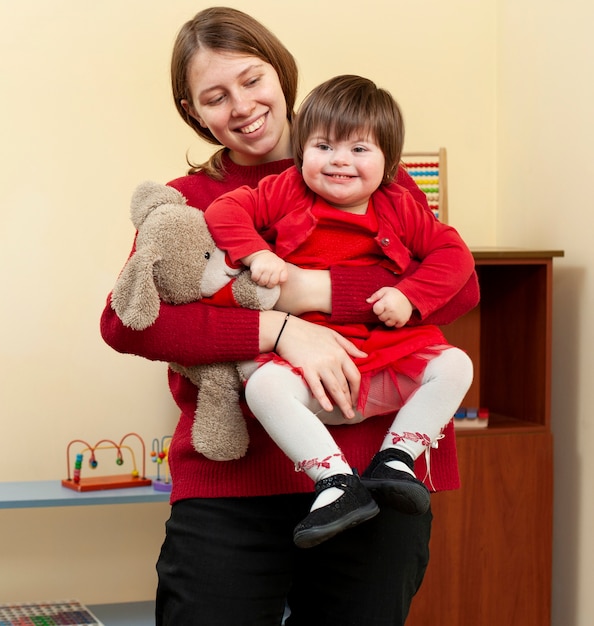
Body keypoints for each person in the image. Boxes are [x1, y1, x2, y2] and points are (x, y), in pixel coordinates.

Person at [100, 7, 480, 625]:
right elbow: (128, 321)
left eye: (252, 80)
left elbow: (455, 288)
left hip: (376, 473)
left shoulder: (371, 171)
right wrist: (277, 329)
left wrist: (308, 289)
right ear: (193, 111)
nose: (242, 106)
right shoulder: (189, 201)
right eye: (215, 97)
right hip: (234, 486)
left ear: (281, 73)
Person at [204, 74, 474, 550]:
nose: (339, 161)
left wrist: (410, 295)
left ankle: (397, 458)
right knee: (263, 386)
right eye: (324, 146)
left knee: (455, 365)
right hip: (313, 372)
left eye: (359, 150)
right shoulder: (285, 189)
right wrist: (256, 253)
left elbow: (454, 256)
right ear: (301, 150)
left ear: (389, 162)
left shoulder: (399, 205)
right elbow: (226, 211)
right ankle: (335, 483)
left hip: (388, 360)